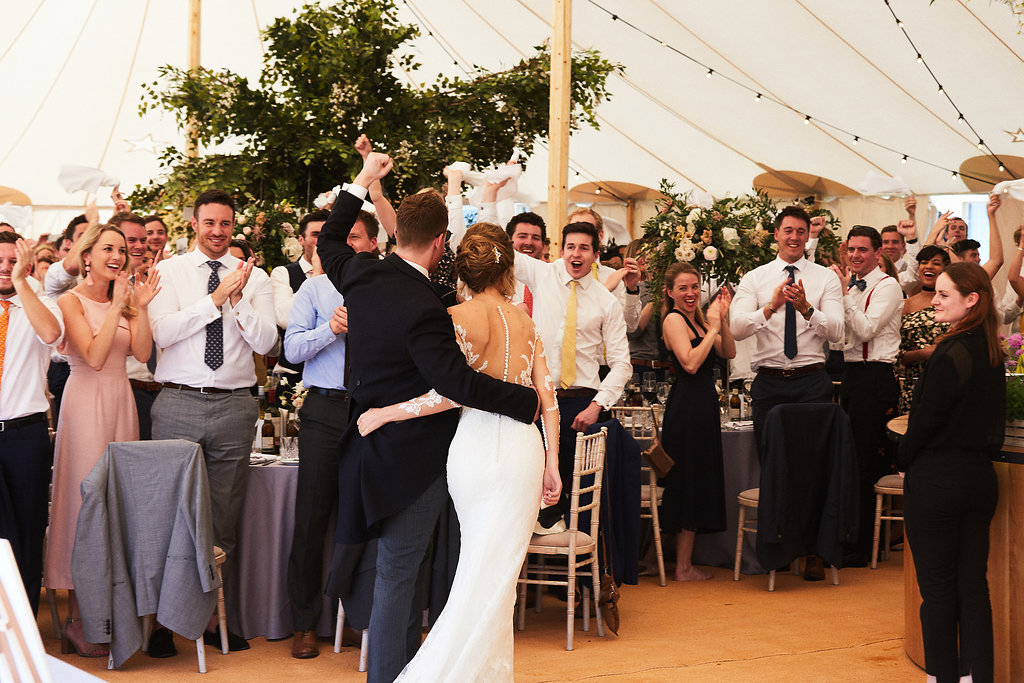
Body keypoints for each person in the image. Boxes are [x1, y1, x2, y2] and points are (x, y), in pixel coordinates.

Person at [317, 151, 539, 683]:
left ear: (397, 235)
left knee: (398, 571)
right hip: (414, 458)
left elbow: (329, 240)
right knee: (399, 573)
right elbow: (457, 384)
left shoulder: (360, 275)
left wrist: (363, 179)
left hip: (367, 446)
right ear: (440, 242)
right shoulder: (426, 307)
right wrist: (523, 400)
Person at [356, 224, 561, 682]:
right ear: (506, 269)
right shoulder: (527, 323)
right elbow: (548, 400)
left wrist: (388, 412)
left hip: (473, 449)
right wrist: (553, 464)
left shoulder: (454, 316)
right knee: (497, 578)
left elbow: (450, 393)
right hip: (523, 451)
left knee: (479, 570)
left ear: (463, 269)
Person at [149, 189, 277, 652]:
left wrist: (238, 301)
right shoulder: (169, 271)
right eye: (209, 223)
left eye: (225, 224)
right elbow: (162, 332)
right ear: (194, 225)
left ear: (233, 226)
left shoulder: (256, 277)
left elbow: (266, 342)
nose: (217, 232)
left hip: (234, 405)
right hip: (178, 401)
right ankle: (163, 623)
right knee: (170, 513)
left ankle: (212, 618)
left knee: (223, 516)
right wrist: (215, 299)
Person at [44, 224, 159, 657]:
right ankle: (77, 620)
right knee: (83, 506)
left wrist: (139, 308)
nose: (118, 256)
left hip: (120, 402)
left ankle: (110, 613)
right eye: (108, 248)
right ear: (87, 256)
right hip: (84, 405)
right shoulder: (69, 301)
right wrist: (116, 307)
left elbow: (143, 354)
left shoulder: (127, 300)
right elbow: (92, 356)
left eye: (122, 249)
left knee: (116, 507)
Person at [898, 262, 1005, 683]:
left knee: (938, 591)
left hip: (939, 481)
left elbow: (925, 420)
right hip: (979, 479)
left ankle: (943, 677)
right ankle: (976, 677)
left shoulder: (951, 350)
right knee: (973, 587)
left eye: (944, 295)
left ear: (971, 299)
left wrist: (903, 459)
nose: (935, 301)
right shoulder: (990, 348)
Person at [512, 220, 632, 519]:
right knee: (537, 495)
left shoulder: (607, 302)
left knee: (584, 500)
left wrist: (597, 406)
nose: (576, 254)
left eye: (584, 248)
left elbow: (622, 363)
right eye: (570, 247)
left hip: (583, 407)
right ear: (561, 250)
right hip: (541, 401)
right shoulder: (542, 274)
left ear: (595, 255)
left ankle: (583, 547)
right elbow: (497, 249)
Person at [828, 226, 903, 566]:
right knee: (850, 457)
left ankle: (860, 547)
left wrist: (844, 295)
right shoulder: (850, 286)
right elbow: (840, 337)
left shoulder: (888, 286)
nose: (855, 255)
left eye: (862, 250)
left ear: (877, 253)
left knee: (866, 459)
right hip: (851, 375)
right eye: (851, 249)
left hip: (875, 376)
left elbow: (867, 329)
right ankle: (851, 537)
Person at [0, 234, 63, 618]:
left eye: (13, 260)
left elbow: (52, 335)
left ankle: (22, 626)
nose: (5, 267)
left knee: (26, 532)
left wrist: (22, 283)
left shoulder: (41, 300)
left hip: (25, 435)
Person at [659, 262, 735, 581]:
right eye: (683, 288)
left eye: (695, 287)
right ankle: (682, 566)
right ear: (670, 292)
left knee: (698, 477)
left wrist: (721, 321)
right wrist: (713, 328)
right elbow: (690, 364)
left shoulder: (700, 320)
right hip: (687, 408)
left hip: (703, 406)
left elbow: (729, 352)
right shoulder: (673, 319)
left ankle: (680, 562)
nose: (690, 293)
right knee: (686, 480)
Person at [897, 246, 951, 414]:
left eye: (936, 263)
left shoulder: (954, 303)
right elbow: (897, 354)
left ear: (946, 269)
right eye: (924, 262)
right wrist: (922, 353)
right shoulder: (906, 305)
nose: (928, 266)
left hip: (949, 384)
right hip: (914, 387)